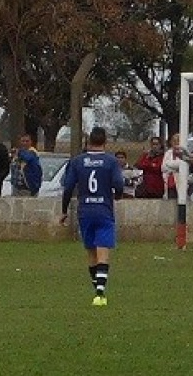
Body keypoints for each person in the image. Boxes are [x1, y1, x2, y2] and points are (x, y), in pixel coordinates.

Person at [60, 126, 124, 307]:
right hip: (103, 210)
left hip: (85, 211)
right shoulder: (111, 162)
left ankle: (98, 291)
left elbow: (68, 188)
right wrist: (117, 196)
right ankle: (100, 293)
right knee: (103, 252)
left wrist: (64, 211)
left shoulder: (78, 161)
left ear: (88, 142)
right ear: (105, 142)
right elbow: (118, 184)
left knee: (91, 252)